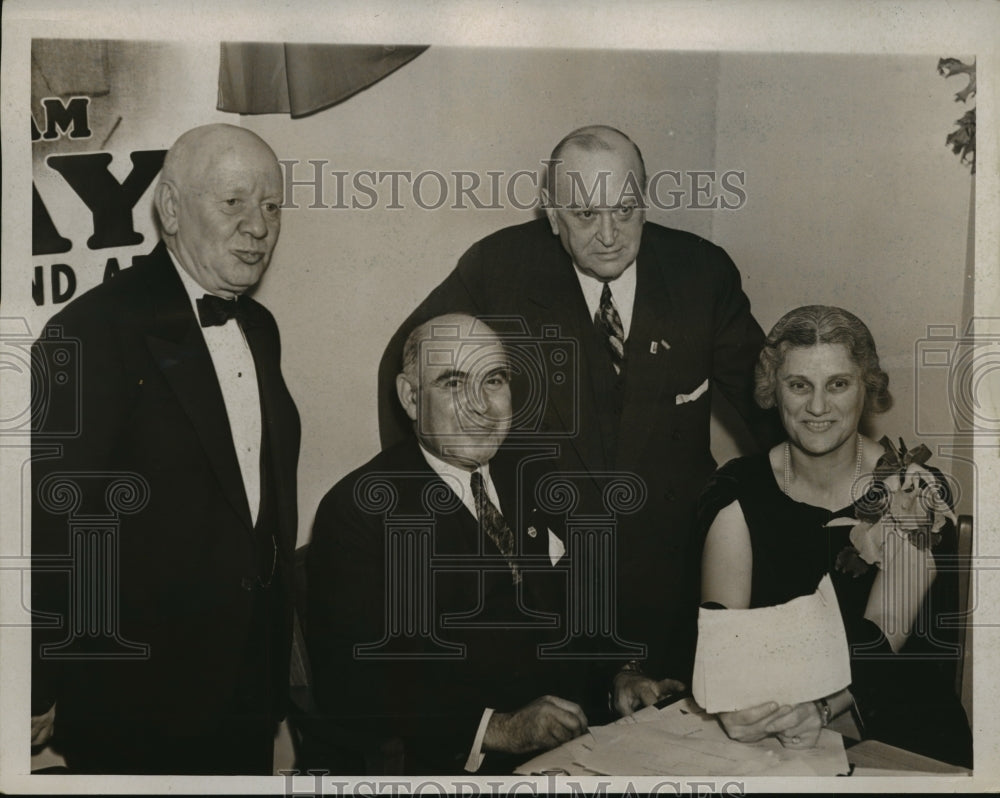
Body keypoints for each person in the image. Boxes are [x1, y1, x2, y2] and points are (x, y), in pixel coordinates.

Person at [377, 125, 778, 694]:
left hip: (677, 573)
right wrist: (436, 512)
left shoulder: (699, 273)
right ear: (552, 215)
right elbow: (410, 364)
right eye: (586, 215)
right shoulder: (500, 270)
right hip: (552, 589)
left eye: (625, 209)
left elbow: (768, 400)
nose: (610, 235)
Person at [30, 124, 301, 774]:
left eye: (270, 206)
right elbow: (52, 523)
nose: (258, 227)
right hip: (138, 702)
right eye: (233, 202)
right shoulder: (91, 331)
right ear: (172, 209)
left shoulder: (259, 326)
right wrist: (35, 682)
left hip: (245, 692)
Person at [307, 313, 645, 775]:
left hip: (580, 743)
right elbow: (355, 686)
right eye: (452, 383)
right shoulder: (359, 511)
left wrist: (620, 673)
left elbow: (583, 599)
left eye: (494, 380)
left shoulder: (533, 472)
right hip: (454, 763)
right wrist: (497, 729)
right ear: (410, 397)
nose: (481, 406)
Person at [698, 305, 972, 767]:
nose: (818, 407)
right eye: (799, 385)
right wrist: (733, 708)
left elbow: (880, 636)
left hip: (902, 730)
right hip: (777, 734)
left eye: (838, 385)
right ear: (772, 390)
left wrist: (820, 710)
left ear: (867, 388)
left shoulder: (911, 490)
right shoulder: (737, 493)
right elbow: (725, 642)